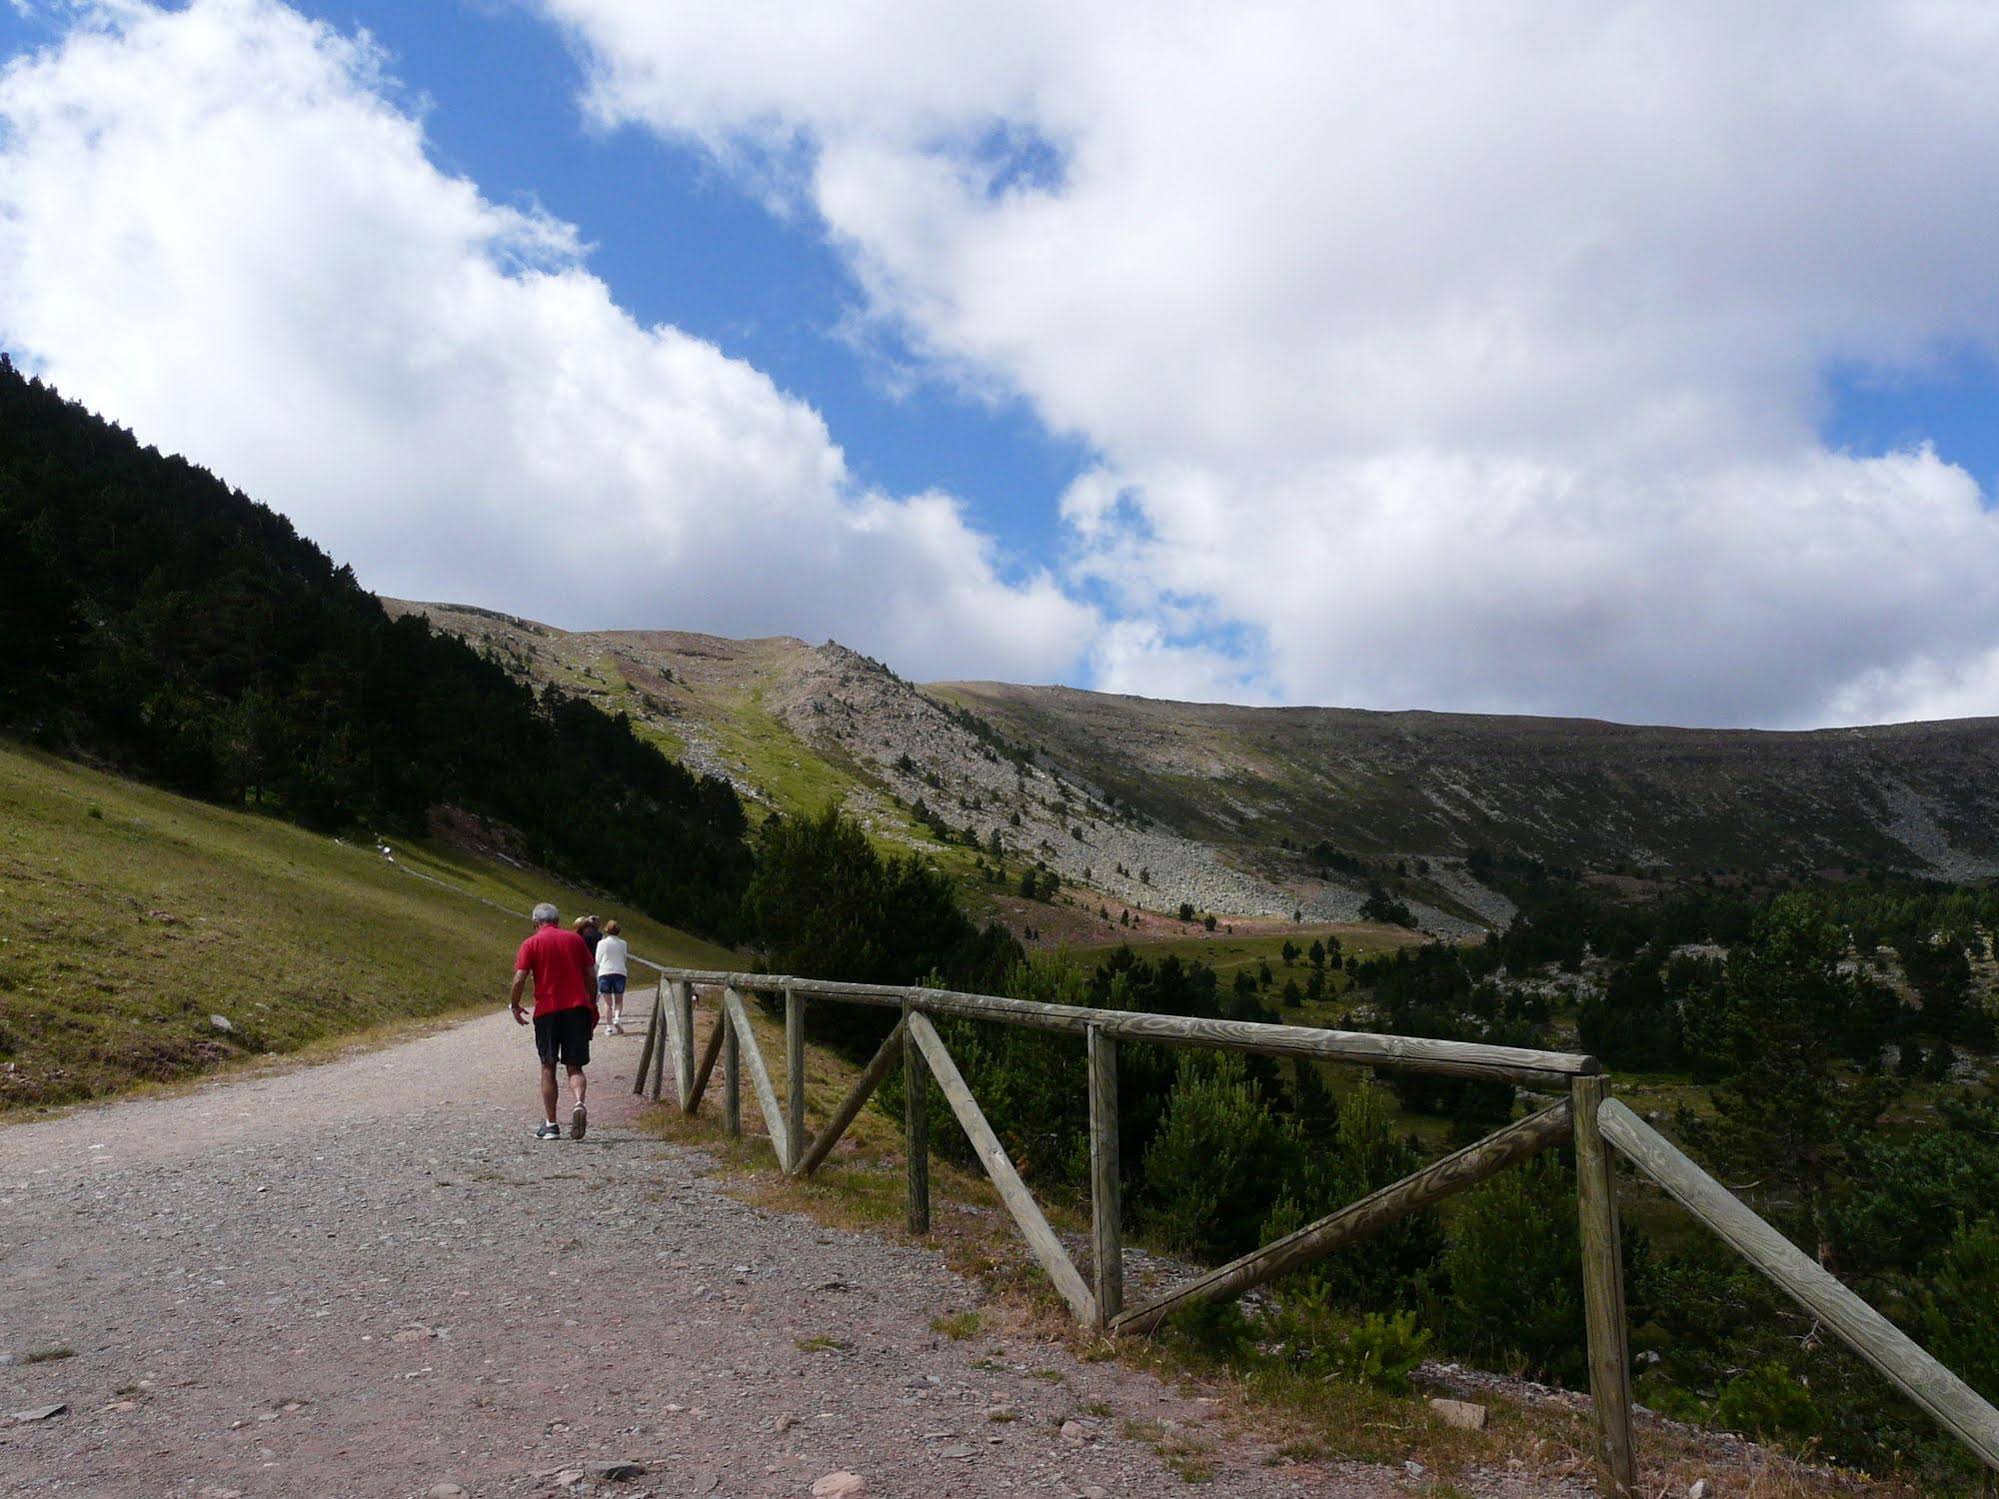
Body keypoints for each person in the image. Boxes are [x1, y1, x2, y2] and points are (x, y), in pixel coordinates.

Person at [510, 902, 600, 1140]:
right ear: (558, 921)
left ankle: (551, 1124)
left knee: (548, 1066)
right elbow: (591, 975)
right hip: (577, 1009)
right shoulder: (576, 940)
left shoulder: (531, 943)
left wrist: (515, 1005)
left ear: (535, 922)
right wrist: (591, 1003)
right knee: (575, 1066)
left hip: (547, 1010)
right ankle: (579, 1103)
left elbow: (519, 978)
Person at [595, 919, 630, 1035]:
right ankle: (617, 1018)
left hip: (605, 972)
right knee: (619, 1000)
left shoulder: (602, 943)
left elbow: (597, 960)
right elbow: (624, 958)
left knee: (607, 1002)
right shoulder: (623, 943)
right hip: (620, 972)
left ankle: (608, 1027)